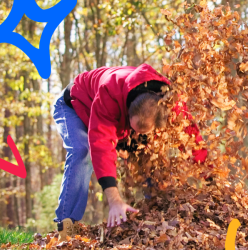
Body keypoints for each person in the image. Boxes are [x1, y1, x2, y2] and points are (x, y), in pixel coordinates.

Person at [52, 63, 207, 240]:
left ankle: (156, 216)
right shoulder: (109, 91)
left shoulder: (172, 103)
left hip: (124, 125)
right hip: (74, 107)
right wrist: (114, 199)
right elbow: (101, 144)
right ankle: (66, 225)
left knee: (147, 154)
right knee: (83, 151)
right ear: (127, 110)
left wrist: (209, 176)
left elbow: (192, 139)